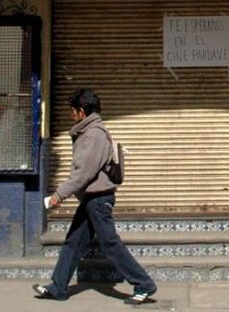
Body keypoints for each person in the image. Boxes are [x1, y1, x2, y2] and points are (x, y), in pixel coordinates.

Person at [33, 89, 157, 305]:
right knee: (73, 242)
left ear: (81, 112)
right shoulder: (88, 132)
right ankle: (58, 287)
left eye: (72, 111)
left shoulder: (94, 135)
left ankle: (144, 284)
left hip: (98, 200)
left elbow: (83, 173)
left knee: (110, 243)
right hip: (91, 199)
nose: (71, 115)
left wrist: (58, 196)